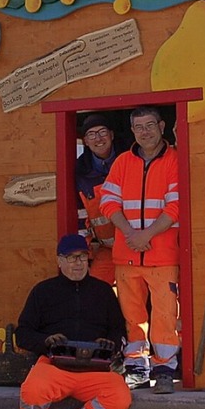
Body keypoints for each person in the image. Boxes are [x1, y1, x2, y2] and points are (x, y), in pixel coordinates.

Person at [16, 234, 131, 409]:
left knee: (120, 396)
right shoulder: (43, 291)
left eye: (82, 257)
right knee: (32, 390)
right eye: (70, 258)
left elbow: (118, 330)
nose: (77, 263)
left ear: (88, 260)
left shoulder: (104, 291)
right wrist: (45, 341)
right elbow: (23, 334)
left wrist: (111, 344)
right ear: (59, 261)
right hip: (54, 365)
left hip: (95, 367)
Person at [100, 106, 179, 395]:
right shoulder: (122, 162)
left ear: (161, 126)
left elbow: (176, 205)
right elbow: (108, 202)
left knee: (165, 315)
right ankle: (136, 369)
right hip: (128, 253)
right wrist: (132, 234)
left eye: (149, 125)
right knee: (132, 316)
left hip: (163, 255)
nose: (144, 132)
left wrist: (146, 234)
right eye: (138, 127)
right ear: (132, 131)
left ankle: (165, 369)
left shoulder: (174, 160)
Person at [75, 113, 124, 285]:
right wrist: (84, 255)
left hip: (139, 245)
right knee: (92, 288)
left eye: (102, 132)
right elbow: (80, 215)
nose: (98, 138)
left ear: (111, 135)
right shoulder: (79, 172)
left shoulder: (131, 159)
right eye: (91, 134)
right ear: (85, 141)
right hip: (107, 249)